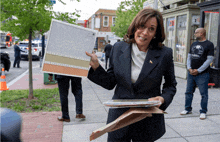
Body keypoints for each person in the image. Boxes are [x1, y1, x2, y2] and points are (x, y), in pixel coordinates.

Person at [86, 8, 177, 142]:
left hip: (146, 120)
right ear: (135, 26)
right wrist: (96, 67)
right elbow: (110, 82)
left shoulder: (165, 54)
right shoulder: (118, 48)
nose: (145, 33)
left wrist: (162, 99)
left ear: (155, 33)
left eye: (151, 29)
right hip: (119, 119)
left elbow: (170, 85)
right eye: (142, 26)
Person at [180, 28, 214, 120]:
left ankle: (203, 111)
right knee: (188, 92)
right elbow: (189, 57)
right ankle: (187, 109)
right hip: (191, 73)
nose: (194, 34)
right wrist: (189, 68)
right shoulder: (194, 44)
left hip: (203, 74)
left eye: (196, 32)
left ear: (202, 33)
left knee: (203, 94)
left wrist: (199, 70)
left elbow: (209, 59)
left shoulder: (209, 44)